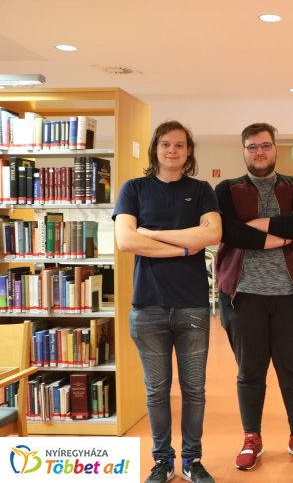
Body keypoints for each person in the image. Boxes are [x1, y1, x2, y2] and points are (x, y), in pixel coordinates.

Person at [113, 120, 222, 483]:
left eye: (179, 145)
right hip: (148, 306)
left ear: (188, 152)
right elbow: (126, 241)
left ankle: (192, 459)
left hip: (192, 306)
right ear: (155, 149)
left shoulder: (202, 190)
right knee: (157, 392)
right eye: (165, 144)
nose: (172, 150)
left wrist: (152, 235)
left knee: (194, 390)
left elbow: (213, 234)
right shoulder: (134, 189)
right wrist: (185, 247)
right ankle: (162, 461)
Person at [214, 122, 293, 472]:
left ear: (275, 149)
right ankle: (251, 438)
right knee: (249, 372)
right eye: (252, 147)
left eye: (265, 146)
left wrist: (256, 226)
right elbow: (227, 231)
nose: (259, 152)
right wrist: (277, 233)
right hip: (242, 296)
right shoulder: (226, 189)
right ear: (243, 151)